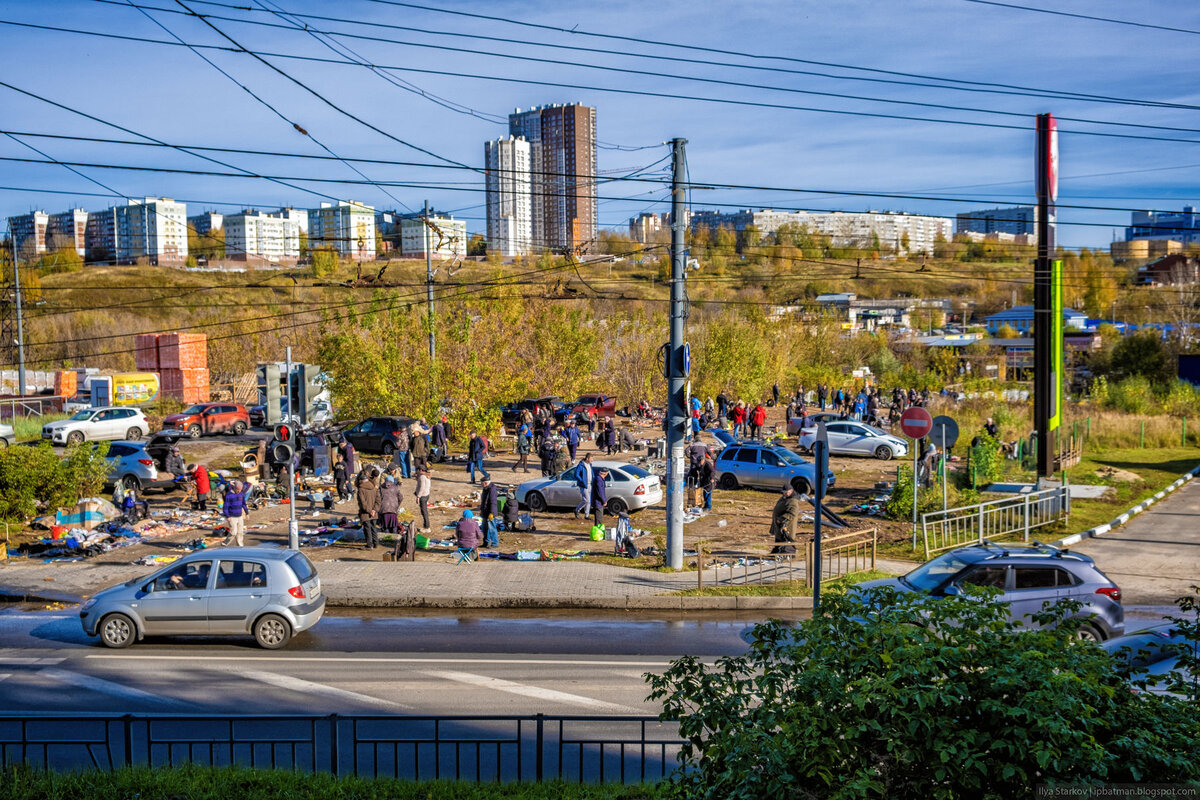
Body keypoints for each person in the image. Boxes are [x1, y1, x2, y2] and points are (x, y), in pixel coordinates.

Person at [769, 485, 803, 554]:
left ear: (791, 491)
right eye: (783, 492)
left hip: (786, 525)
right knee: (779, 539)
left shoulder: (793, 501)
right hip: (779, 524)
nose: (784, 493)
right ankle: (777, 552)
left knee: (787, 540)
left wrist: (781, 519)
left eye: (786, 492)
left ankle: (787, 555)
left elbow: (793, 513)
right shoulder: (785, 497)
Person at [357, 468, 381, 549]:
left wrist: (370, 511)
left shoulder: (361, 489)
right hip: (374, 513)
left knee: (367, 529)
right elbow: (378, 501)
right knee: (373, 528)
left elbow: (363, 503)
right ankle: (376, 543)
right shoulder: (374, 488)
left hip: (365, 513)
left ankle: (369, 545)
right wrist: (374, 510)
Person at [223, 480, 250, 547]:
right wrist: (227, 516)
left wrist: (247, 513)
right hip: (232, 516)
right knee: (233, 532)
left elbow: (244, 504)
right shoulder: (229, 495)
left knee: (240, 532)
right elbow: (225, 506)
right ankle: (225, 543)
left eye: (240, 489)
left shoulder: (241, 494)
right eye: (238, 490)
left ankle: (240, 546)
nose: (239, 491)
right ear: (234, 488)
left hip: (239, 516)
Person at [479, 477, 500, 548]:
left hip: (490, 512)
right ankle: (486, 542)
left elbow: (493, 502)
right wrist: (481, 510)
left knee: (492, 528)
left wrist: (492, 513)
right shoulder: (485, 488)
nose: (481, 485)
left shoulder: (492, 489)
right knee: (485, 528)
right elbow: (484, 501)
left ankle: (495, 543)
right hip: (484, 512)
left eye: (481, 483)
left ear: (485, 483)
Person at [574, 453, 594, 520]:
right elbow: (576, 474)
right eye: (591, 459)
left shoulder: (590, 465)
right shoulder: (581, 465)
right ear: (587, 458)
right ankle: (577, 509)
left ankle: (587, 515)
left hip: (589, 484)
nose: (592, 460)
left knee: (589, 501)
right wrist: (582, 480)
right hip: (584, 485)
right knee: (586, 500)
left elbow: (591, 473)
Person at [414, 466, 432, 532]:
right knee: (424, 511)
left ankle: (427, 527)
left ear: (420, 470)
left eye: (417, 470)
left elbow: (422, 487)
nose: (416, 472)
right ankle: (426, 526)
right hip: (426, 494)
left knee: (424, 512)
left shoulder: (422, 477)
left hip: (423, 496)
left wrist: (418, 496)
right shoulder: (427, 476)